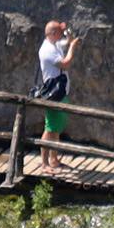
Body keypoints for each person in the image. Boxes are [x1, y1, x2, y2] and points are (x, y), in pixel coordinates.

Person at [37, 18, 80, 173]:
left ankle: (53, 159)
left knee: (56, 128)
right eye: (60, 32)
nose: (62, 34)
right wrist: (73, 47)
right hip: (53, 94)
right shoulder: (47, 50)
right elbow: (66, 63)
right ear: (53, 33)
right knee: (50, 128)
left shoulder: (54, 44)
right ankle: (44, 164)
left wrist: (68, 35)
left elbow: (66, 42)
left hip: (61, 92)